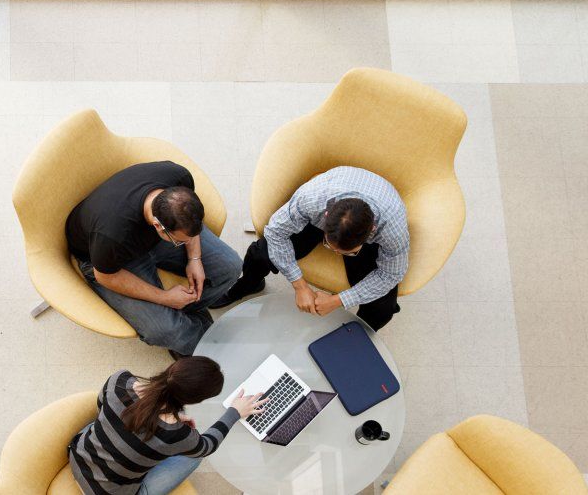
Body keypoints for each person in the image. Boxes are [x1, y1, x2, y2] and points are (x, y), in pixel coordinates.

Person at [65, 161, 243, 357]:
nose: (187, 241)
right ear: (159, 226)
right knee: (165, 330)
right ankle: (200, 344)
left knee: (230, 267)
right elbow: (106, 276)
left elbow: (189, 230)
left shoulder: (178, 177)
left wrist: (194, 258)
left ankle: (188, 310)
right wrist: (165, 298)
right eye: (180, 241)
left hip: (151, 240)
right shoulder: (111, 235)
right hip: (112, 261)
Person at [213, 166, 408, 331]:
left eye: (348, 253)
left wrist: (339, 300)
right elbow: (275, 232)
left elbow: (391, 274)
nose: (335, 255)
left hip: (376, 218)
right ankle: (249, 285)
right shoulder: (311, 199)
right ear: (326, 216)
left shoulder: (392, 230)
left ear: (371, 232)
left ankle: (354, 337)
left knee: (383, 308)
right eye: (329, 246)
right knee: (260, 253)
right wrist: (299, 285)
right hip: (327, 205)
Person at [68, 357, 267, 495]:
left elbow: (101, 406)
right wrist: (235, 412)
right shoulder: (177, 435)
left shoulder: (119, 380)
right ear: (194, 400)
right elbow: (208, 446)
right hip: (109, 493)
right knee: (194, 458)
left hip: (77, 456)